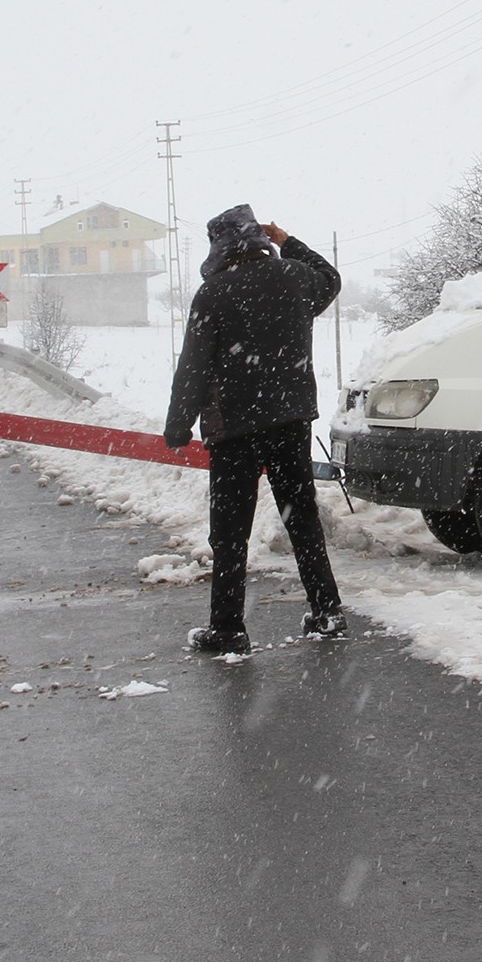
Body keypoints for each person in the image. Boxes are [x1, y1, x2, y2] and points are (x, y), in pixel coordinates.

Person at [163, 204, 346, 656]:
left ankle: (228, 629)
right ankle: (327, 612)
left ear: (220, 246)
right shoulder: (295, 278)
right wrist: (287, 240)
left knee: (229, 530)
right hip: (289, 420)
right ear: (257, 239)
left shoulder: (214, 293)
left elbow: (194, 365)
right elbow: (332, 278)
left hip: (235, 428)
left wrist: (178, 425)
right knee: (301, 517)